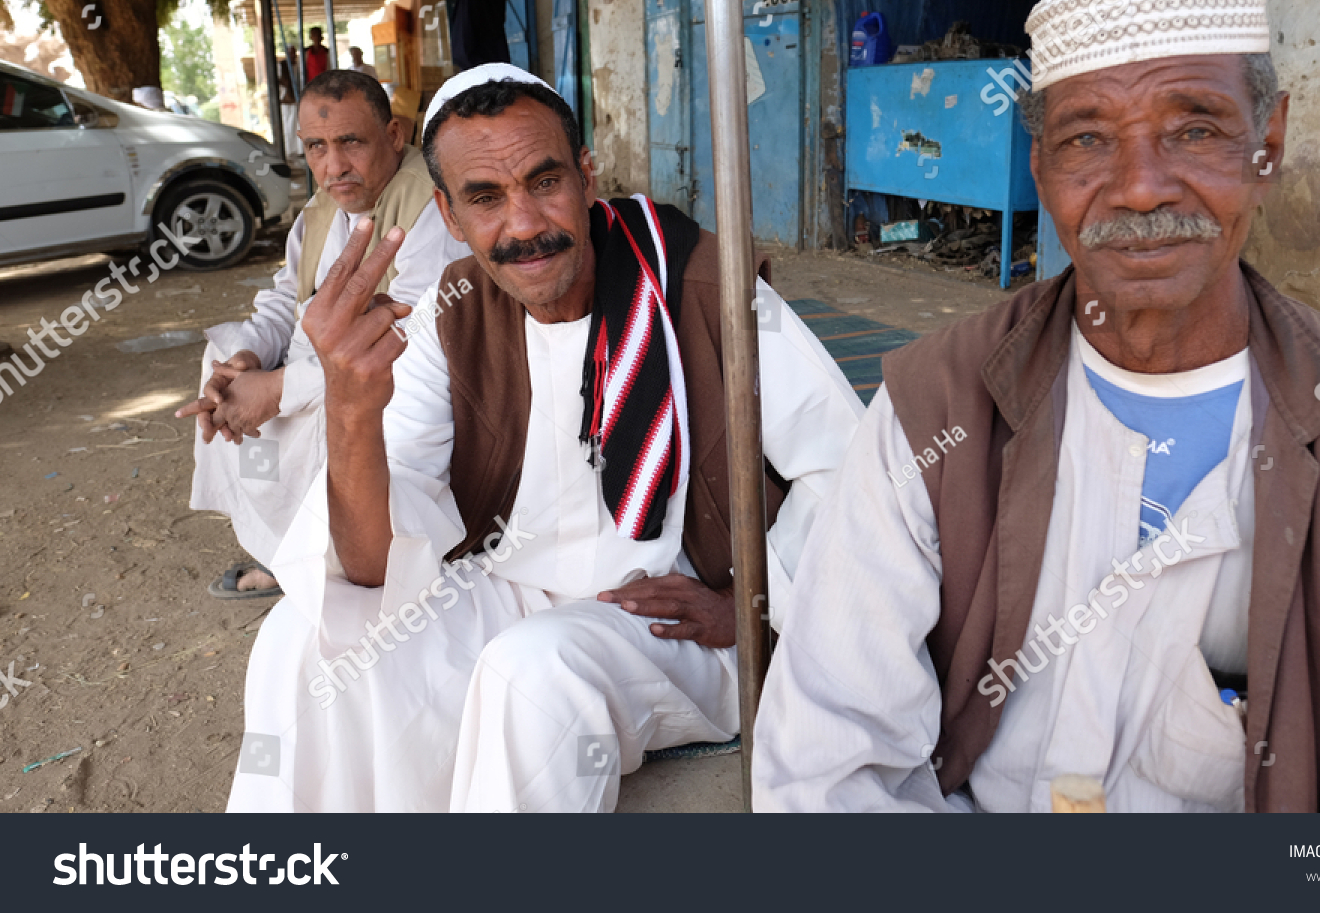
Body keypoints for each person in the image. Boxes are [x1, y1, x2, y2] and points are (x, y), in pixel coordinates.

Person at [753, 0, 1320, 813]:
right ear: (1040, 171)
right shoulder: (932, 411)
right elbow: (824, 763)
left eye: (1195, 128)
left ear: (1270, 144)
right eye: (1087, 139)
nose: (1141, 188)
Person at [226, 63, 863, 812]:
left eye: (545, 181)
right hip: (507, 587)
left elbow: (851, 472)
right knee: (293, 644)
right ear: (450, 215)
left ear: (588, 178)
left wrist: (753, 603)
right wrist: (350, 408)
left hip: (676, 617)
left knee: (530, 675)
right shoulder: (450, 312)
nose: (525, 224)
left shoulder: (706, 287)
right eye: (487, 198)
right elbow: (369, 567)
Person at [177, 69, 471, 599]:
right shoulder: (321, 209)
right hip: (314, 360)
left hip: (387, 374)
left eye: (350, 143)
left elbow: (417, 336)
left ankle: (328, 558)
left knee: (310, 412)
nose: (333, 166)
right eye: (316, 147)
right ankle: (281, 543)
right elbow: (281, 300)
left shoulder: (427, 206)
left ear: (394, 135)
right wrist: (248, 359)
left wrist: (280, 388)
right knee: (223, 361)